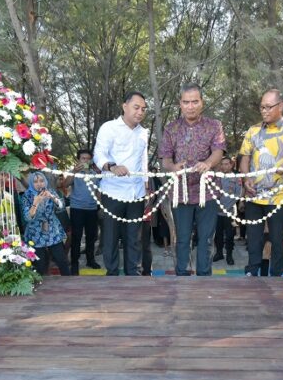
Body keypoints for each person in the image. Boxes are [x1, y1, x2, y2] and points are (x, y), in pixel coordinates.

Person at [159, 83, 226, 276]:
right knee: (182, 238)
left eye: (195, 101)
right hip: (180, 193)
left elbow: (218, 152)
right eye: (186, 102)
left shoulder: (214, 125)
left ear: (201, 102)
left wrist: (208, 163)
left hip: (208, 192)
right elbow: (165, 159)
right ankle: (182, 277)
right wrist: (173, 167)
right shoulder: (171, 128)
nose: (191, 106)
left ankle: (204, 279)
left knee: (206, 239)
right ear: (180, 104)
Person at [239, 89, 283, 277]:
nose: (264, 111)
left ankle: (277, 276)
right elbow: (244, 157)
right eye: (261, 107)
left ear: (280, 106)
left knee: (276, 239)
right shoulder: (253, 131)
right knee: (253, 238)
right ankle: (252, 272)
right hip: (253, 194)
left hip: (278, 197)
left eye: (268, 107)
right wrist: (246, 178)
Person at [93, 91, 149, 276]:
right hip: (113, 192)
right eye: (136, 107)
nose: (140, 112)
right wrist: (111, 167)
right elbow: (99, 154)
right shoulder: (109, 128)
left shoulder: (143, 133)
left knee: (134, 238)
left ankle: (133, 275)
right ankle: (112, 276)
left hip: (137, 193)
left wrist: (146, 184)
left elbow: (143, 160)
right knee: (110, 237)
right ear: (124, 106)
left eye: (143, 109)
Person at [21, 171, 70, 275]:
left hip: (52, 230)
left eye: (41, 181)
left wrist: (52, 197)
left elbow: (61, 207)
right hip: (35, 232)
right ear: (31, 183)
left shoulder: (50, 191)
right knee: (40, 265)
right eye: (35, 182)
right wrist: (35, 203)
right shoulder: (27, 195)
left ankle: (69, 284)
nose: (39, 184)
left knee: (62, 260)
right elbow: (27, 218)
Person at [63, 149, 102, 274]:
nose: (85, 160)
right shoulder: (74, 173)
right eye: (83, 158)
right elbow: (65, 184)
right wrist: (74, 172)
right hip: (77, 208)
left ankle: (90, 260)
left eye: (87, 158)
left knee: (91, 236)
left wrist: (99, 205)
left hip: (92, 209)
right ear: (78, 159)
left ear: (91, 160)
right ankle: (75, 263)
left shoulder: (94, 174)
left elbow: (98, 191)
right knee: (76, 237)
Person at [213, 156, 241, 265]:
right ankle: (219, 253)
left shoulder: (236, 178)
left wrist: (227, 206)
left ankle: (229, 255)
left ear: (231, 165)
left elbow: (237, 194)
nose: (224, 166)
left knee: (229, 235)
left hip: (230, 211)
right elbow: (212, 192)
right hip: (217, 211)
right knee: (218, 234)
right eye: (222, 164)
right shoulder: (217, 177)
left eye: (226, 164)